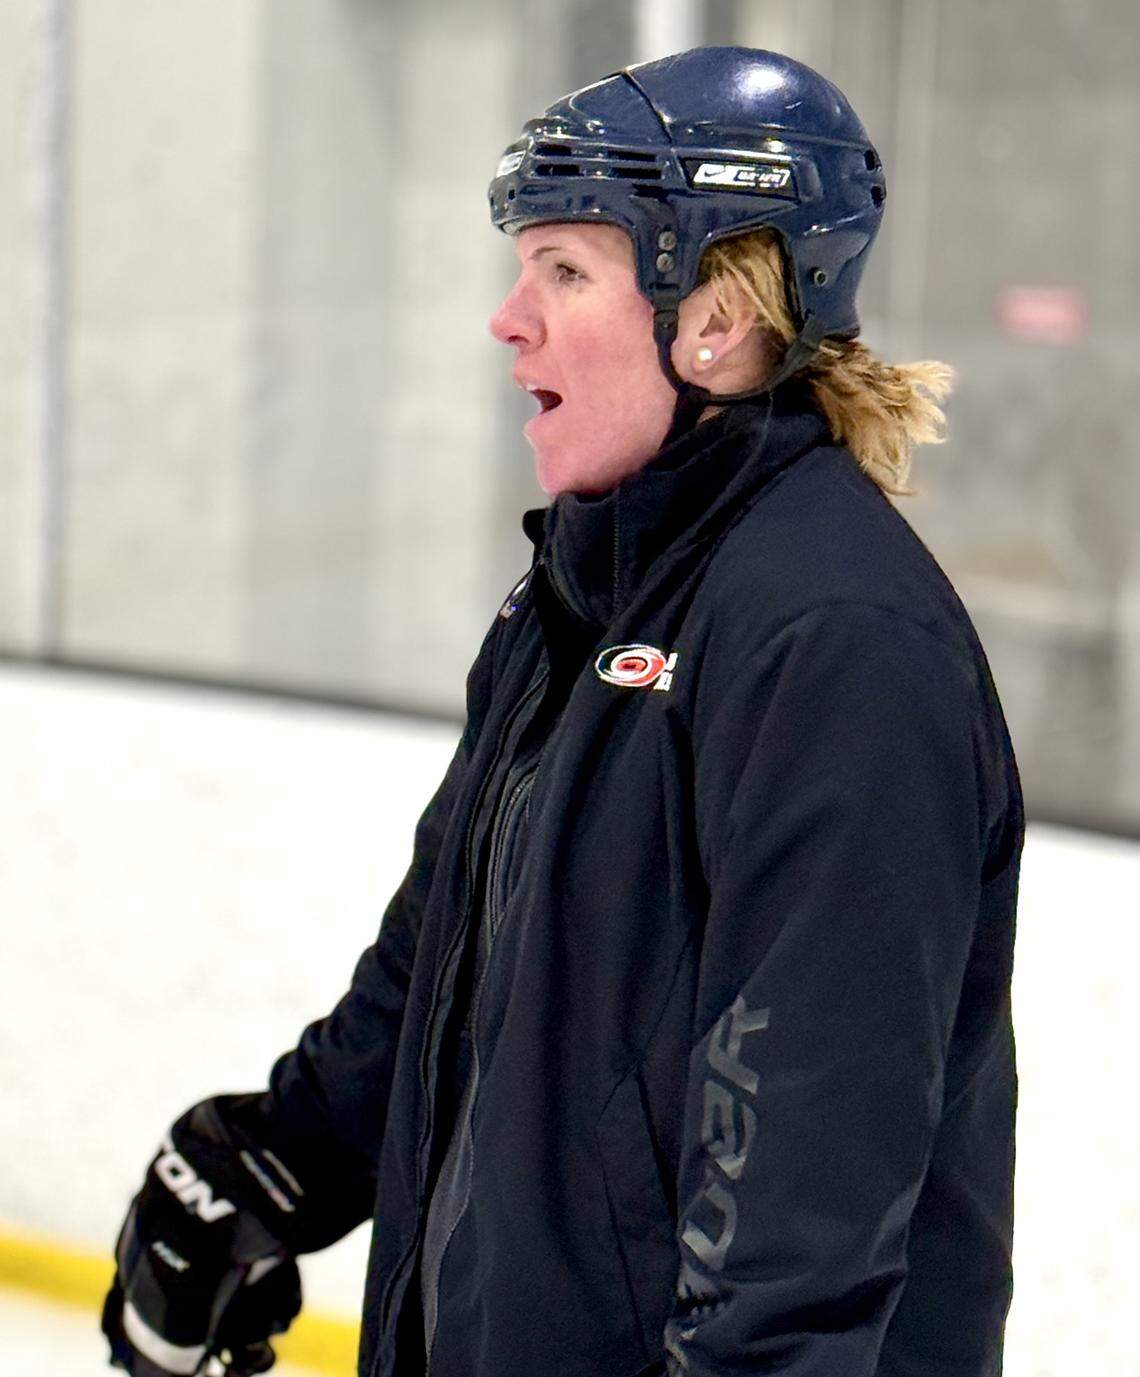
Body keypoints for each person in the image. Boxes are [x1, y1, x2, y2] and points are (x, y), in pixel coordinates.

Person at [102, 46, 1023, 1377]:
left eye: (565, 271)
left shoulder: (835, 647)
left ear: (712, 317)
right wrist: (266, 1161)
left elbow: (803, 1205)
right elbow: (448, 973)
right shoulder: (584, 599)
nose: (508, 317)